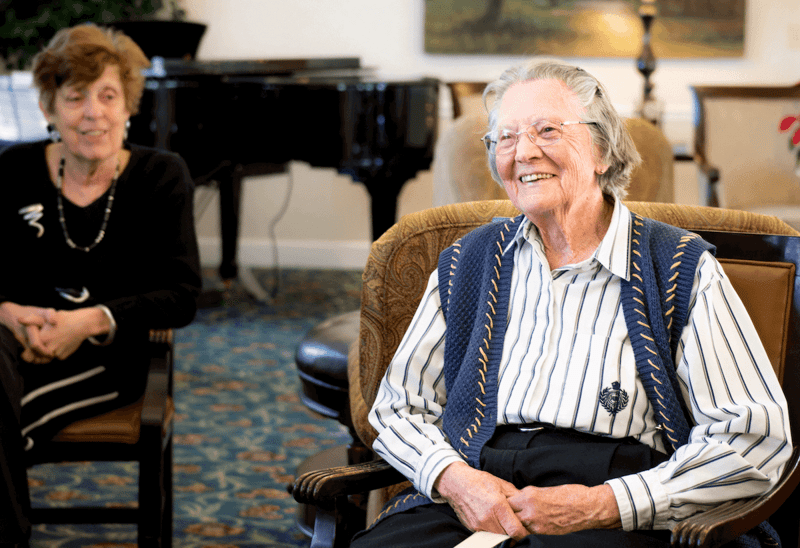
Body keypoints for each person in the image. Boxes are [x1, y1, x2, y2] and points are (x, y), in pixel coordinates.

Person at [351, 60, 792, 548]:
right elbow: (398, 409)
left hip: (618, 502)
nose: (524, 152)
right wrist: (455, 481)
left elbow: (752, 440)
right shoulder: (467, 263)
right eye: (506, 138)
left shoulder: (679, 268)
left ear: (602, 150)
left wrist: (609, 504)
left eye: (547, 130)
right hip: (476, 487)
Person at [0, 23, 201, 545]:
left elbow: (182, 294)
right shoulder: (13, 169)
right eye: (75, 97)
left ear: (129, 104)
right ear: (48, 108)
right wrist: (8, 312)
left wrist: (86, 322)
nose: (94, 112)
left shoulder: (162, 176)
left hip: (107, 360)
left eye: (108, 95)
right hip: (13, 346)